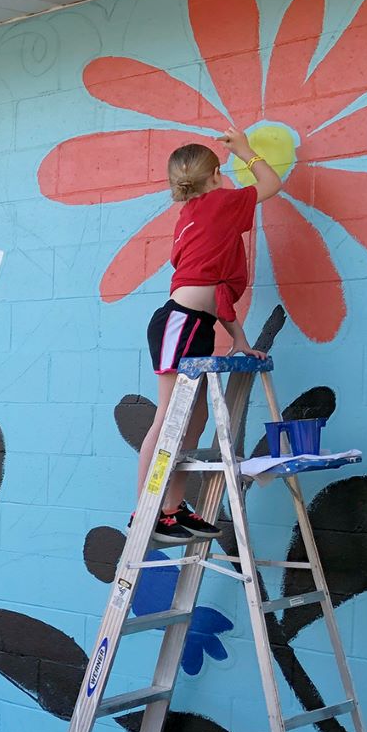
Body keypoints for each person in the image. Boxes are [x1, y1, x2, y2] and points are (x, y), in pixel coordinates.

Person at [134, 129, 281, 545]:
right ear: (217, 174)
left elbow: (216, 291)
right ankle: (144, 511)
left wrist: (239, 339)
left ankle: (172, 509)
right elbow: (272, 184)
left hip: (195, 324)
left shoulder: (195, 214)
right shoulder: (220, 203)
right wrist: (246, 151)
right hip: (179, 323)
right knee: (168, 418)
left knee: (193, 423)